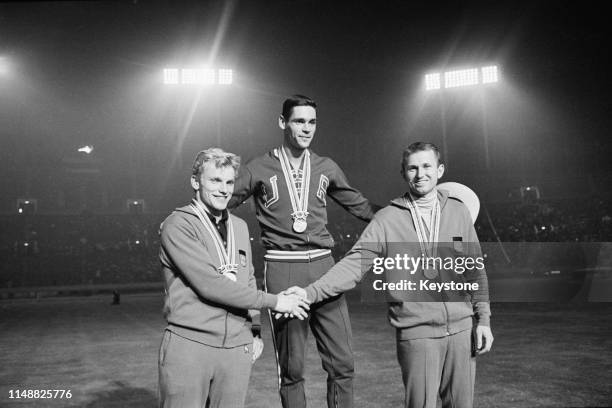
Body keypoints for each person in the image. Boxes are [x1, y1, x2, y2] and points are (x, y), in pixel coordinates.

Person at [288, 142, 493, 408]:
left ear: (440, 170)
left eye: (427, 166)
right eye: (413, 168)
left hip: (462, 330)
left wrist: (484, 319)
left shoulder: (458, 211)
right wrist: (309, 292)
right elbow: (353, 265)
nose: (420, 174)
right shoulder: (387, 219)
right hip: (417, 332)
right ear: (404, 173)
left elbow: (474, 269)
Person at [229, 95, 380, 408]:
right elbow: (223, 199)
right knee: (292, 369)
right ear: (283, 122)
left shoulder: (327, 167)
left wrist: (399, 212)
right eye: (299, 121)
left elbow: (360, 206)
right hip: (283, 268)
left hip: (326, 268)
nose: (307, 128)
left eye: (312, 122)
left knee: (343, 363)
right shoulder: (258, 167)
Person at [158, 148, 310, 408]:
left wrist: (254, 330)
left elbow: (247, 279)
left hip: (237, 348)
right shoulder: (178, 224)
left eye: (229, 182)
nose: (223, 189)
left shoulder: (239, 226)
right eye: (215, 180)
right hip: (191, 343)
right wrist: (275, 302)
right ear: (195, 182)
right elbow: (209, 285)